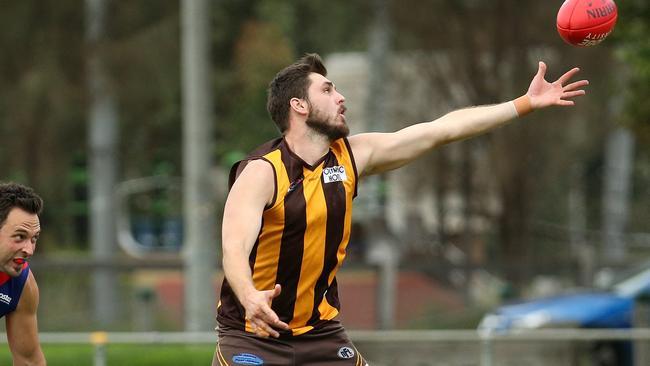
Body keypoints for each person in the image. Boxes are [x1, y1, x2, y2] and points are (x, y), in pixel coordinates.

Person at [214, 53, 588, 366]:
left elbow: (439, 130)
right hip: (252, 335)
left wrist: (522, 104)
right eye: (327, 90)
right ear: (299, 105)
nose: (341, 97)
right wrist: (250, 296)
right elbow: (234, 248)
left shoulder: (351, 157)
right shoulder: (262, 172)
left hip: (320, 334)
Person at [0, 182, 46, 365]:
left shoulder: (22, 284)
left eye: (34, 239)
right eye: (20, 236)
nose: (29, 250)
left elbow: (29, 361)